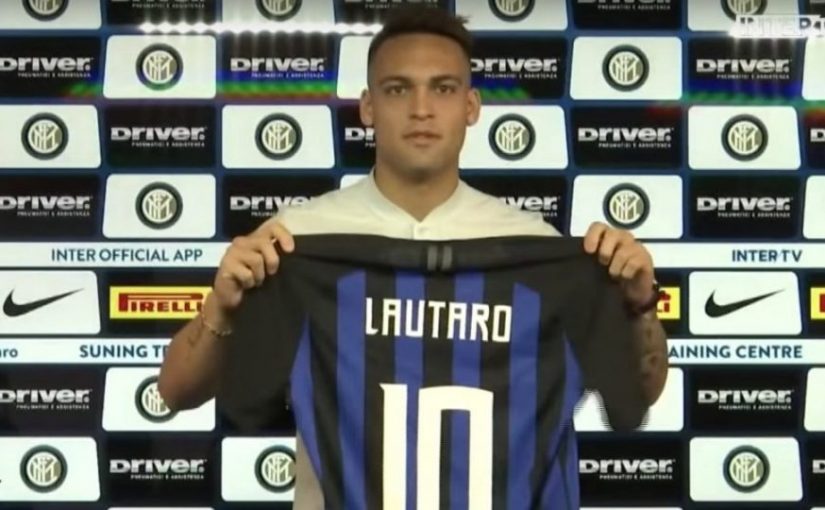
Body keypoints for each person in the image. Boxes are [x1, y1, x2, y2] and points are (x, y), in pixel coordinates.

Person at [158, 6, 669, 508]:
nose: (421, 109)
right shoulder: (294, 242)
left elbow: (640, 395)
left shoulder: (533, 248)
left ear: (471, 106)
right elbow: (176, 391)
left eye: (442, 89)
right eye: (398, 89)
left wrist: (640, 305)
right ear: (367, 107)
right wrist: (221, 306)